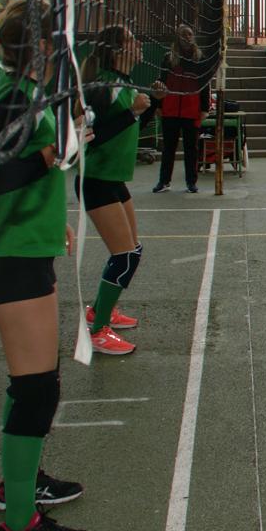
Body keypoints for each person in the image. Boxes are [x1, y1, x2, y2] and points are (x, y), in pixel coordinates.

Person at [0, 0, 90, 531]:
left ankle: (20, 486)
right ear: (40, 46)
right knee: (38, 391)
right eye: (54, 38)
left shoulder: (28, 91)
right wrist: (48, 156)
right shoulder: (17, 95)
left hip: (25, 252)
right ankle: (19, 527)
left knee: (33, 385)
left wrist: (52, 217)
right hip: (10, 263)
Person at [78, 24, 163, 356]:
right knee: (124, 255)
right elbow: (93, 135)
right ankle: (98, 330)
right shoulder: (103, 86)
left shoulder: (125, 84)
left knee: (133, 251)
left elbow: (133, 126)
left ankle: (100, 310)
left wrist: (151, 104)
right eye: (132, 39)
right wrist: (133, 111)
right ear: (117, 50)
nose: (139, 43)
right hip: (96, 179)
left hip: (114, 179)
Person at [153, 24, 209, 194]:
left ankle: (191, 182)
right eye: (184, 34)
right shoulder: (168, 58)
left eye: (190, 34)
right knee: (168, 147)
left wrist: (204, 108)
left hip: (191, 110)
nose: (187, 37)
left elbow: (205, 85)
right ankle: (164, 182)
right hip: (170, 108)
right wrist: (158, 105)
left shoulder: (200, 58)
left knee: (191, 149)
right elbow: (161, 82)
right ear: (177, 37)